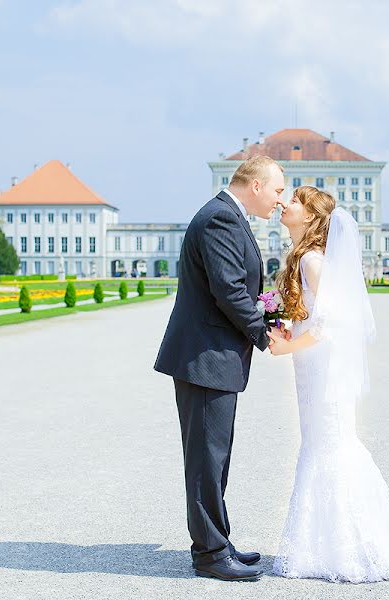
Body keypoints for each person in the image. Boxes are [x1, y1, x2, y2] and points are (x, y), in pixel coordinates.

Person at [268, 186, 389, 583]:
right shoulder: (302, 258)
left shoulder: (313, 260)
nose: (285, 204)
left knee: (329, 444)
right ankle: (324, 542)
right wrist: (276, 321)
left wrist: (288, 346)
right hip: (310, 366)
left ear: (311, 218)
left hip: (321, 366)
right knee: (319, 443)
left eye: (294, 201)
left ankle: (343, 545)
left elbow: (333, 323)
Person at [154, 155, 286, 581]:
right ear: (256, 185)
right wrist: (265, 336)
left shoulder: (227, 215)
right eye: (278, 190)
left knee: (214, 456)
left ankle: (218, 540)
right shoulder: (221, 219)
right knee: (207, 459)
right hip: (205, 358)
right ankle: (210, 554)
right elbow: (229, 289)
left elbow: (236, 287)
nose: (281, 200)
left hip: (211, 356)